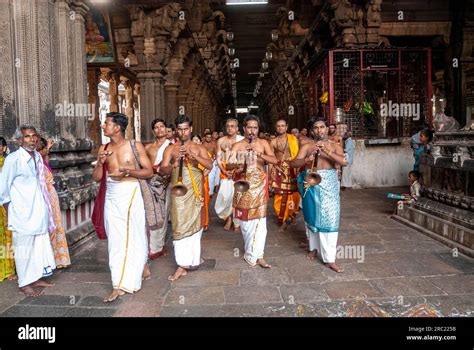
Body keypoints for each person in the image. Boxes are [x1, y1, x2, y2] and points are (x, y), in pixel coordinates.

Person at [92, 112, 154, 302]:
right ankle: (133, 269)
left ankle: (120, 284)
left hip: (131, 191)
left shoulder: (135, 146)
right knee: (116, 237)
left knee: (131, 233)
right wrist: (100, 163)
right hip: (111, 194)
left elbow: (149, 171)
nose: (103, 126)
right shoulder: (103, 148)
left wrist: (128, 171)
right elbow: (97, 178)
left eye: (107, 123)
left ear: (117, 127)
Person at [0, 125, 56, 296]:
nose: (32, 140)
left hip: (38, 210)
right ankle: (24, 283)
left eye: (34, 136)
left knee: (38, 245)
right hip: (21, 212)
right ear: (19, 140)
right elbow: (3, 190)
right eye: (27, 137)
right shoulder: (13, 160)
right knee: (23, 247)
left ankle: (36, 276)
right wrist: (11, 212)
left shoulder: (38, 156)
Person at [290, 116, 348, 273]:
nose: (319, 130)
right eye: (316, 128)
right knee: (311, 217)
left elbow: (344, 162)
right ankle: (314, 248)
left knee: (330, 219)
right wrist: (307, 160)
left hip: (329, 183)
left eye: (322, 127)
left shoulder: (334, 145)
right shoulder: (307, 146)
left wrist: (327, 151)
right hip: (312, 183)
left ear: (326, 128)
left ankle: (330, 259)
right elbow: (293, 163)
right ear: (312, 130)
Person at [160, 115, 212, 281]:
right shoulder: (171, 149)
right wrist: (174, 164)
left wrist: (193, 156)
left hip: (194, 192)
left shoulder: (199, 147)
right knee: (178, 222)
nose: (183, 132)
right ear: (176, 130)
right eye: (180, 129)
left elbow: (209, 165)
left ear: (190, 129)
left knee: (195, 222)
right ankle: (182, 263)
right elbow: (163, 170)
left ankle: (192, 259)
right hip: (178, 193)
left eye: (186, 129)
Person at [228, 115, 277, 268]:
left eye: (255, 127)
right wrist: (242, 158)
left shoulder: (263, 143)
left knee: (260, 222)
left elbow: (274, 160)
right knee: (245, 222)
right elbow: (229, 165)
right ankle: (251, 252)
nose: (252, 130)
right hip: (243, 186)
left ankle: (258, 255)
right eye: (249, 127)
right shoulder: (237, 145)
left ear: (258, 129)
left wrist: (259, 154)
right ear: (244, 129)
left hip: (259, 186)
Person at [37, 138, 71, 269]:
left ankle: (57, 259)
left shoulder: (42, 161)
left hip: (51, 195)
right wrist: (46, 149)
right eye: (44, 149)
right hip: (44, 196)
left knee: (55, 225)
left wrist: (47, 149)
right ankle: (51, 259)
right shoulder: (35, 161)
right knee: (49, 226)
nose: (46, 151)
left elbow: (44, 159)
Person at [145, 118, 171, 259]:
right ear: (153, 130)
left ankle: (158, 246)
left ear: (166, 129)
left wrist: (168, 177)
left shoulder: (171, 146)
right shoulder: (148, 148)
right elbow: (143, 165)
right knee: (152, 213)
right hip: (151, 182)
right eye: (156, 127)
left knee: (164, 214)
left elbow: (174, 165)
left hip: (167, 182)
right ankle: (152, 247)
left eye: (162, 126)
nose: (159, 129)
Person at [215, 119, 244, 232]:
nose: (230, 128)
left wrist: (239, 169)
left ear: (237, 128)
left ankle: (236, 223)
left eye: (232, 126)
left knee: (237, 197)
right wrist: (223, 170)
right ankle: (228, 218)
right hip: (225, 173)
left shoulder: (242, 141)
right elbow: (218, 158)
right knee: (225, 197)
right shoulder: (221, 141)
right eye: (228, 126)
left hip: (239, 173)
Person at [270, 119, 300, 230]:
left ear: (286, 127)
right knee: (280, 195)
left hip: (293, 170)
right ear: (275, 127)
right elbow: (270, 157)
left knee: (294, 194)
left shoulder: (293, 139)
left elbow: (298, 154)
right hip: (280, 171)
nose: (280, 128)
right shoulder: (273, 142)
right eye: (278, 126)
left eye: (282, 126)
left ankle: (292, 214)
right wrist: (272, 170)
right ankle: (282, 218)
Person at [0, 137, 16, 282]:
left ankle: (9, 269)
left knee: (7, 237)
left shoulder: (8, 163)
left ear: (4, 148)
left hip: (5, 204)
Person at [202, 132, 218, 197]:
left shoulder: (214, 144)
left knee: (211, 177)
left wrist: (215, 160)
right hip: (204, 162)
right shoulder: (202, 144)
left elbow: (216, 154)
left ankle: (210, 193)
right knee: (204, 176)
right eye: (207, 137)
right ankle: (203, 190)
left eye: (210, 137)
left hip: (212, 161)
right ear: (205, 137)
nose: (208, 138)